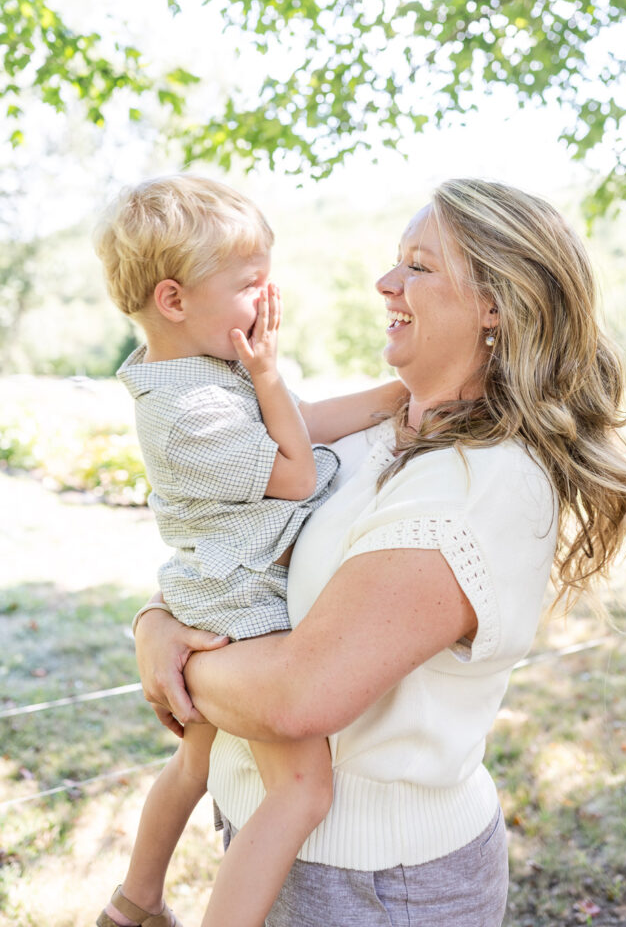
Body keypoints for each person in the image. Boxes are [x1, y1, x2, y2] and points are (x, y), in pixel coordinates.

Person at [134, 179, 626, 927]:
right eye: (395, 260)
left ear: (495, 307)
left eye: (419, 265)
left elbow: (296, 698)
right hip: (274, 842)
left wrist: (169, 663)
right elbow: (240, 540)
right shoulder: (379, 430)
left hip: (376, 886)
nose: (384, 282)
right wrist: (157, 619)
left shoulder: (480, 485)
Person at [93, 174, 405, 927]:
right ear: (174, 300)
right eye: (248, 284)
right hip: (242, 602)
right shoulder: (189, 411)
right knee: (302, 791)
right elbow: (296, 474)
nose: (268, 299)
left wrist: (397, 399)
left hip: (220, 583)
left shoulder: (205, 365)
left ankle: (134, 902)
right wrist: (267, 372)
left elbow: (300, 420)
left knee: (195, 763)